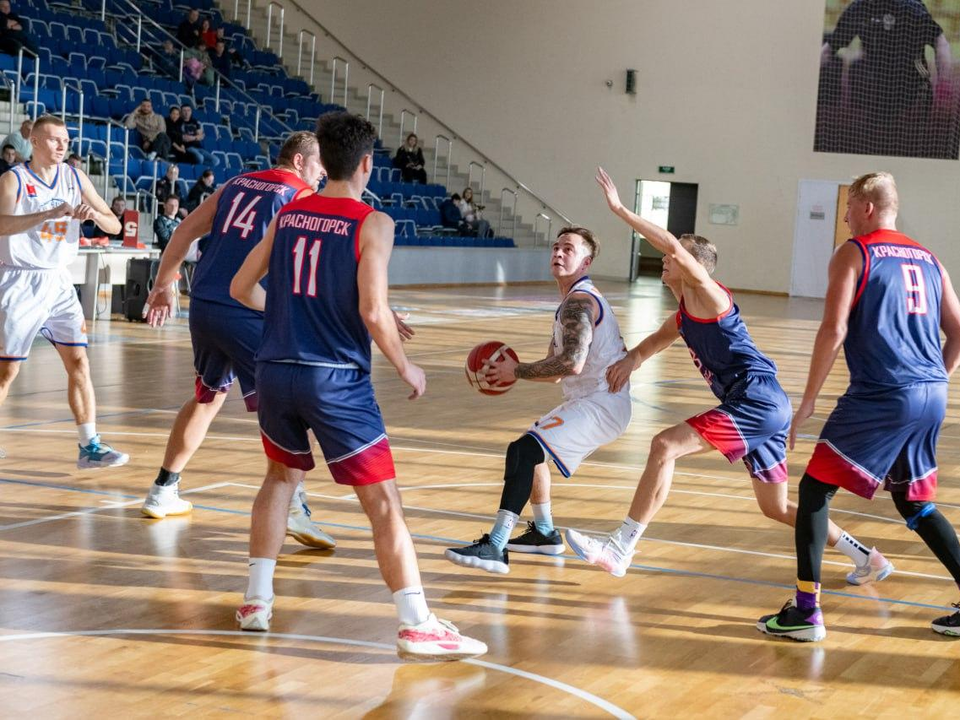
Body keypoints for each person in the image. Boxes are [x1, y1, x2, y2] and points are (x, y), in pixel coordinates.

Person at [228, 112, 486, 660]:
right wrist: (404, 365)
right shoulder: (373, 222)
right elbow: (372, 309)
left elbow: (239, 286)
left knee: (279, 479)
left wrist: (291, 315)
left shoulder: (292, 211)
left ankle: (256, 600)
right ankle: (416, 623)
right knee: (383, 503)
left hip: (274, 369)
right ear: (368, 163)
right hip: (336, 380)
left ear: (323, 157)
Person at [565, 168, 887, 586]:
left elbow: (671, 250)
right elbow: (652, 344)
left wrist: (621, 209)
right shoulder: (683, 315)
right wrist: (629, 361)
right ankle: (868, 558)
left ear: (693, 265)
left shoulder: (711, 295)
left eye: (675, 253)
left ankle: (621, 546)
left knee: (664, 445)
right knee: (775, 507)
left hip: (756, 401)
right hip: (766, 404)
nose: (665, 256)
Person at [758, 172, 960, 642]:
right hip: (931, 393)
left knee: (813, 492)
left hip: (883, 394)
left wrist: (807, 401)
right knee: (915, 502)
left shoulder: (856, 252)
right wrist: (935, 379)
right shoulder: (931, 259)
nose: (845, 215)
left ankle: (806, 612)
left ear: (867, 207)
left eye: (849, 205)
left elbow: (833, 329)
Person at [139, 132, 336, 555]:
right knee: (289, 407)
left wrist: (163, 284)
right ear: (301, 162)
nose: (324, 174)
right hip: (249, 309)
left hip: (206, 305)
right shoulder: (299, 196)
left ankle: (163, 490)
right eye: (321, 165)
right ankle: (293, 503)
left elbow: (186, 231)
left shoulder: (235, 185)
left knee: (207, 398)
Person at [445, 227, 632, 574]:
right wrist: (516, 371)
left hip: (601, 403)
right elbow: (556, 372)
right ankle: (545, 533)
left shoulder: (579, 302)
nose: (559, 253)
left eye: (569, 250)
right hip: (593, 400)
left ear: (586, 262)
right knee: (532, 454)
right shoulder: (568, 303)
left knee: (524, 449)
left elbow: (572, 363)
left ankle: (496, 546)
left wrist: (515, 372)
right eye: (556, 247)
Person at [0, 115, 127, 468]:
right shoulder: (13, 179)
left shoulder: (74, 177)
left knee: (80, 362)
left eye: (66, 142)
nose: (62, 147)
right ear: (35, 142)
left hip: (58, 282)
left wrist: (93, 217)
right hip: (18, 280)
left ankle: (90, 445)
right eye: (55, 140)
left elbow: (113, 224)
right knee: (7, 372)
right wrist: (47, 213)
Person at [819, 0, 953, 156]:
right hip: (876, 87)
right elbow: (830, 48)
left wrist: (945, 84)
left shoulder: (911, 8)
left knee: (907, 142)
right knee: (876, 141)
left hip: (912, 85)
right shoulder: (859, 8)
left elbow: (940, 41)